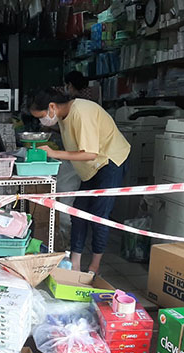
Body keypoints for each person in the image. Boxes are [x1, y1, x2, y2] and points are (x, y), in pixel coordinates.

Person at [28, 88, 130, 275]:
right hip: (91, 168)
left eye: (41, 116)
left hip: (109, 162)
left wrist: (54, 153)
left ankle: (94, 267)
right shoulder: (63, 115)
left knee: (99, 216)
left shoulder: (81, 113)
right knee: (78, 213)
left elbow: (90, 153)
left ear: (52, 107)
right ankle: (75, 264)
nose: (42, 121)